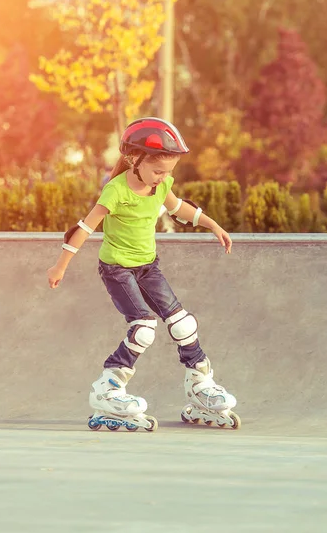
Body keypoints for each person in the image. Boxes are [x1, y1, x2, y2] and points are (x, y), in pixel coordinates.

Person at [46, 117, 240, 432]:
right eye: (157, 171)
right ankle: (108, 387)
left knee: (183, 323)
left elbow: (180, 209)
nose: (162, 178)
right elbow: (84, 227)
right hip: (117, 269)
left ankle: (200, 384)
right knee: (144, 328)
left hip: (148, 266)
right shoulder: (116, 190)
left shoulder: (161, 185)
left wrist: (214, 226)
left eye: (169, 172)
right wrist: (60, 265)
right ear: (135, 160)